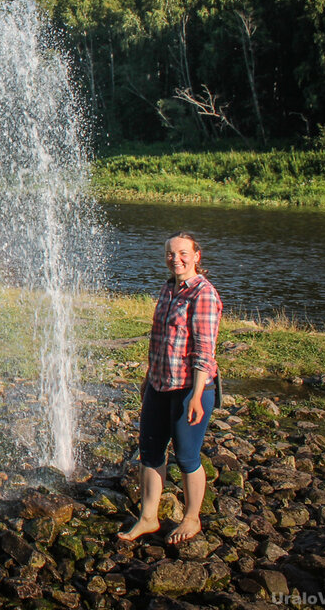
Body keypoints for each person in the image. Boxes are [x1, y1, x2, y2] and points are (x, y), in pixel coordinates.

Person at [118, 232, 221, 544]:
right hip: (159, 384)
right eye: (170, 254)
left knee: (188, 457)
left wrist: (196, 396)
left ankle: (192, 518)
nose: (176, 259)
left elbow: (205, 350)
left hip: (190, 388)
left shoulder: (203, 294)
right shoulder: (168, 289)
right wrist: (147, 379)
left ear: (196, 256)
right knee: (149, 452)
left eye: (182, 253)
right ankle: (148, 518)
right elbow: (159, 341)